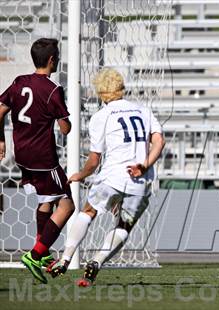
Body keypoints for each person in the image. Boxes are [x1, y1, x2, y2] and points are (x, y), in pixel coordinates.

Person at [47, 68, 165, 286]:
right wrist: (144, 164)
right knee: (124, 225)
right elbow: (160, 142)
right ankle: (97, 261)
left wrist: (79, 175)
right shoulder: (143, 111)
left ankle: (64, 259)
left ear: (101, 93)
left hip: (112, 177)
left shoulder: (101, 116)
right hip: (141, 181)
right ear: (122, 88)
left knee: (88, 212)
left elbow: (94, 161)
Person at [0, 38, 75, 284]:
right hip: (43, 157)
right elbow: (65, 129)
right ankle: (35, 254)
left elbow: (0, 111)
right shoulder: (52, 89)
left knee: (47, 199)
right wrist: (63, 117)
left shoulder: (19, 82)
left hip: (21, 154)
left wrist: (1, 141)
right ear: (52, 60)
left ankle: (41, 251)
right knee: (66, 205)